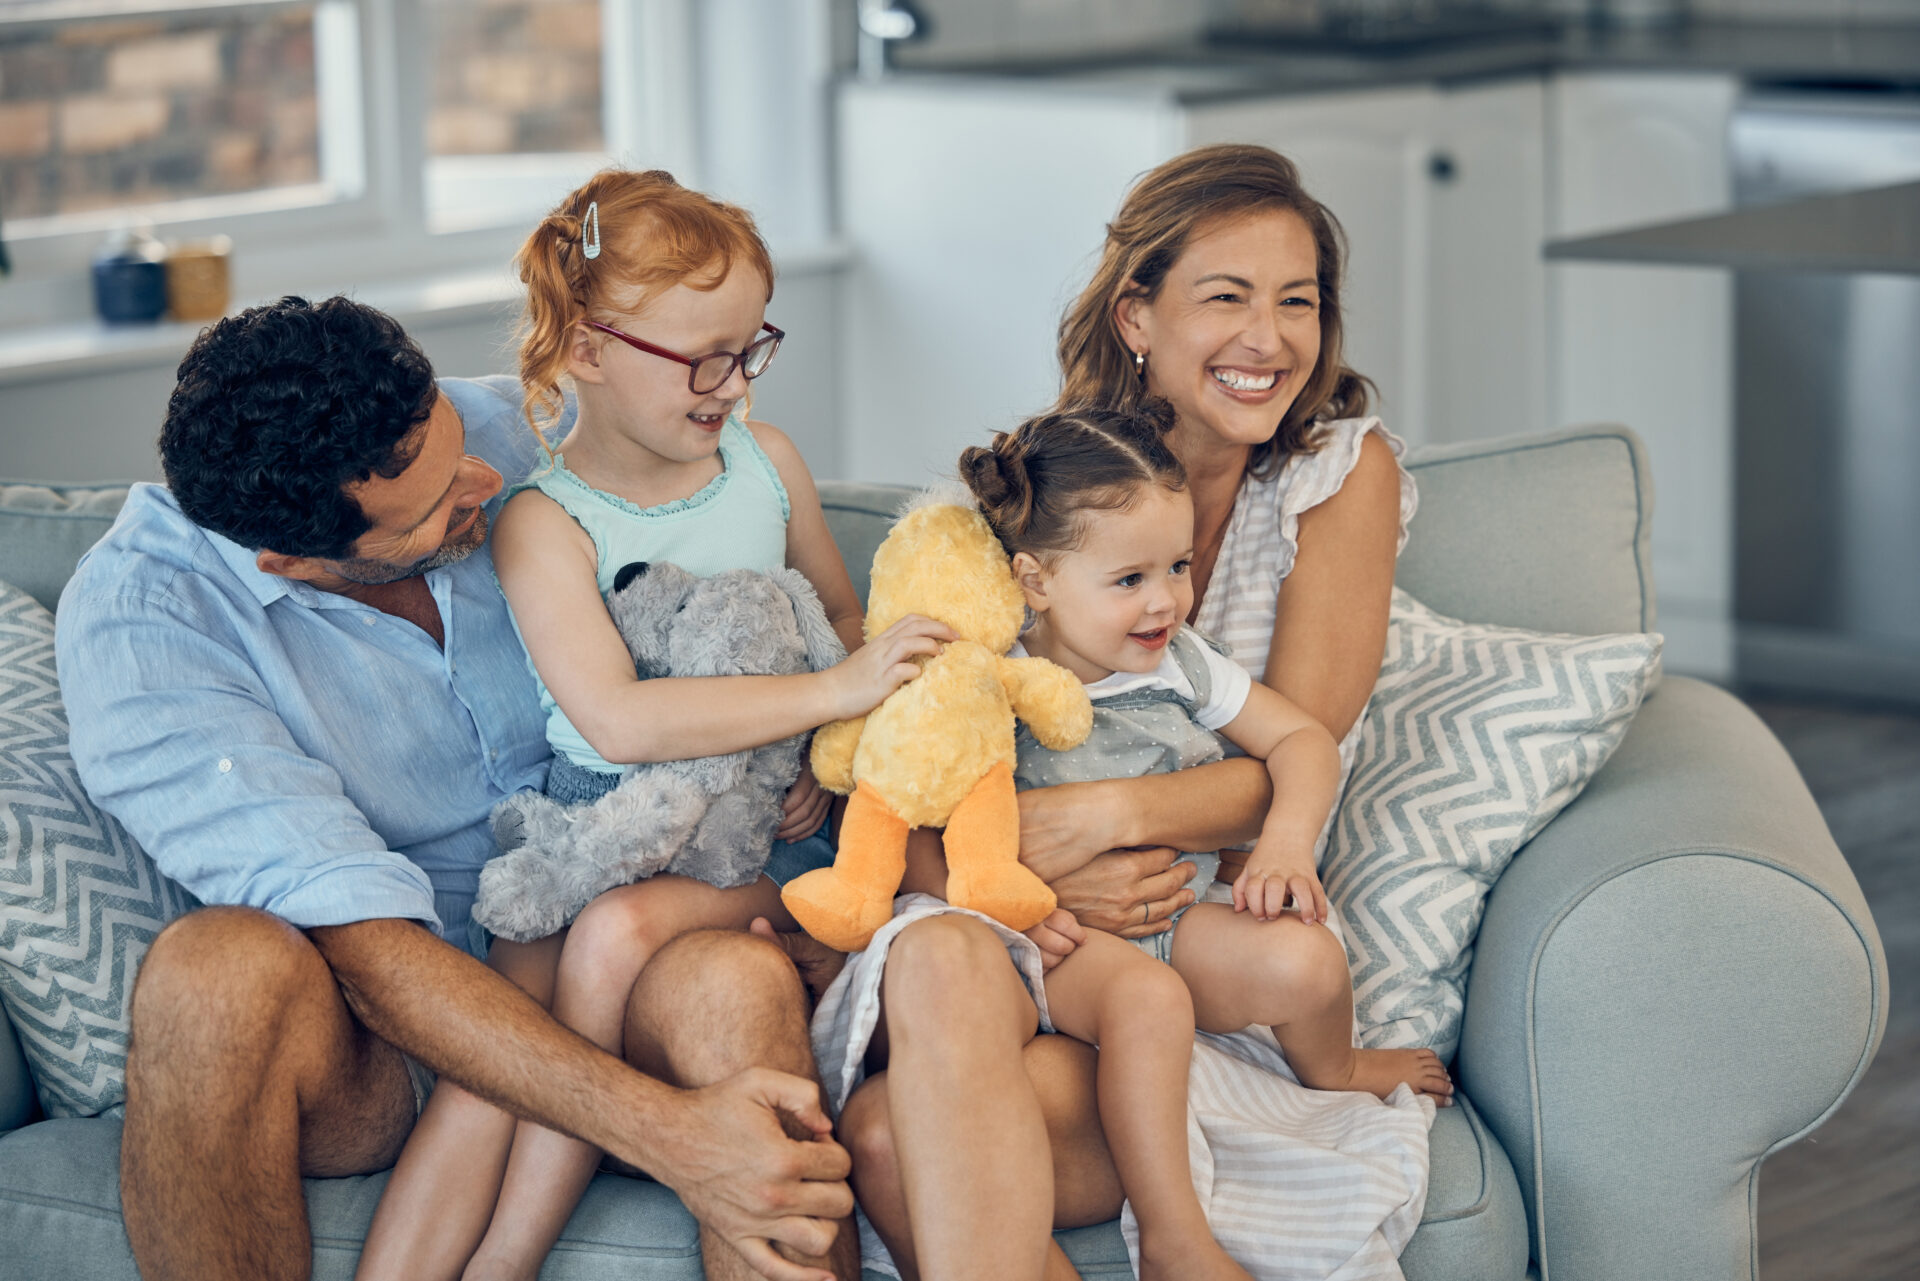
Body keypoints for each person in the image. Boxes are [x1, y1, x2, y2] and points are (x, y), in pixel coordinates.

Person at [55, 294, 855, 1281]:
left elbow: (768, 611)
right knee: (211, 973)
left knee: (732, 989)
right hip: (398, 1027)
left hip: (635, 926)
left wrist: (834, 861)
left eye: (453, 440)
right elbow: (367, 947)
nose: (485, 476)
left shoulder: (521, 430)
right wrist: (670, 1135)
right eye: (434, 505)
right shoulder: (147, 619)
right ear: (295, 562)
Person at [835, 143, 1427, 1279]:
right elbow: (920, 754)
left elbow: (1287, 763)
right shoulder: (1037, 498)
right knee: (880, 1132)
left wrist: (1101, 820)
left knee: (889, 1142)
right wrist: (1024, 873)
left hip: (1198, 935)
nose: (1269, 338)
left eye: (1297, 301)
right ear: (1136, 313)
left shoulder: (1338, 476)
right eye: (1227, 297)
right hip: (1031, 935)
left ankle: (1173, 1236)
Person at [357, 169, 942, 1281]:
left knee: (618, 940)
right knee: (497, 1065)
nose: (732, 384)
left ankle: (510, 1258)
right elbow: (617, 722)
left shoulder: (765, 466)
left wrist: (830, 737)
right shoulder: (541, 522)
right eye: (701, 358)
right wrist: (830, 696)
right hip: (601, 824)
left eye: (750, 348)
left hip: (762, 825)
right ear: (585, 348)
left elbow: (838, 621)